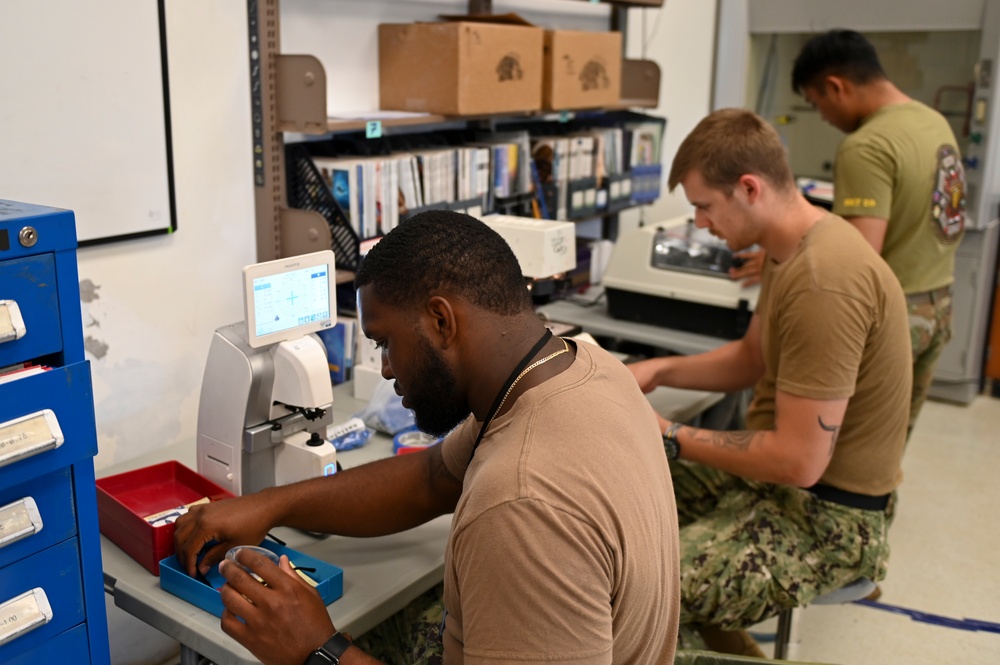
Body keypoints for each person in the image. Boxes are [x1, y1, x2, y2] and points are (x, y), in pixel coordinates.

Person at [174, 210, 681, 665]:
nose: (387, 368)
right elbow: (432, 477)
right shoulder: (583, 368)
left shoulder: (520, 504)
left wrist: (318, 652)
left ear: (441, 320)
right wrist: (268, 506)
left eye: (386, 343)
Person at [626, 108, 911, 656]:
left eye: (705, 207)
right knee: (621, 479)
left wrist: (669, 433)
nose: (702, 224)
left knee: (635, 589)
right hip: (781, 487)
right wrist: (655, 371)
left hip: (826, 519)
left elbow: (800, 459)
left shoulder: (824, 281)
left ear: (749, 188)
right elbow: (752, 357)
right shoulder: (791, 248)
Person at [734, 29, 967, 435]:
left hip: (894, 318)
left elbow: (854, 257)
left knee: (834, 448)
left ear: (834, 86)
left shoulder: (867, 145)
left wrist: (783, 258)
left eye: (816, 102)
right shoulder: (934, 122)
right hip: (939, 307)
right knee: (886, 444)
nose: (822, 116)